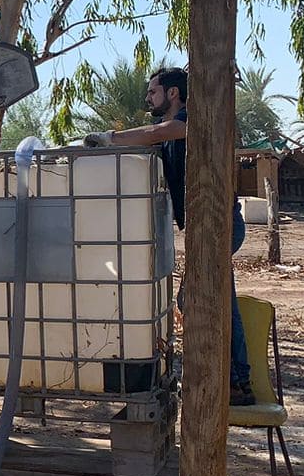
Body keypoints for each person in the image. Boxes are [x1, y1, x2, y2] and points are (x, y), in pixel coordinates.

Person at [84, 67, 254, 406]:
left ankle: (236, 382)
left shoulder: (189, 120)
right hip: (203, 227)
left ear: (173, 93)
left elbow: (158, 131)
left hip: (217, 226)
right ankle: (230, 380)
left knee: (210, 301)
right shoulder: (171, 135)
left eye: (153, 92)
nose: (148, 98)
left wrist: (109, 138)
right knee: (209, 300)